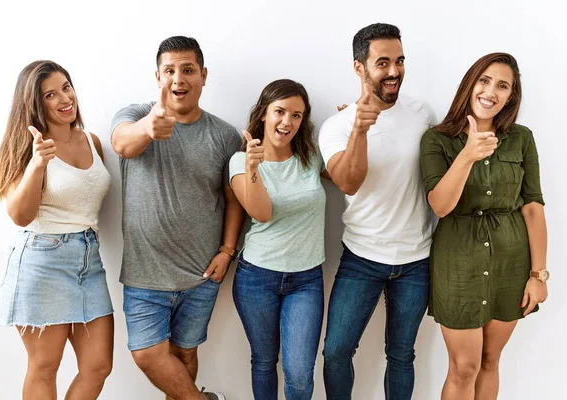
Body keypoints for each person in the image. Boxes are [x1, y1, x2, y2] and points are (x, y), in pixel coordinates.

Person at [110, 36, 243, 400]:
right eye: (169, 70)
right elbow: (122, 143)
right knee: (148, 354)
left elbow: (233, 200)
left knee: (186, 353)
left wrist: (227, 251)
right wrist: (148, 128)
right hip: (144, 274)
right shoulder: (135, 116)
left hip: (201, 273)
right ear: (157, 76)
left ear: (203, 75)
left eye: (187, 70)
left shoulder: (224, 135)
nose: (178, 79)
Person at [420, 52, 548, 400]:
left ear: (511, 96)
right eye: (485, 80)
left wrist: (538, 276)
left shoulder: (521, 138)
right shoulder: (437, 139)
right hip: (458, 265)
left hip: (511, 264)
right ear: (470, 83)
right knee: (464, 367)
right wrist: (467, 155)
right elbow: (440, 205)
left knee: (491, 360)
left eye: (502, 85)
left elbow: (533, 207)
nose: (491, 91)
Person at [318, 23, 437, 400]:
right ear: (359, 67)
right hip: (362, 258)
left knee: (402, 355)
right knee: (336, 352)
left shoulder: (422, 113)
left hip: (417, 258)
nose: (394, 71)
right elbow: (348, 182)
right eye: (382, 62)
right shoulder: (336, 126)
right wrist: (360, 129)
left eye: (399, 61)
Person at [0, 60, 114, 400]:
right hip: (42, 258)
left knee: (98, 365)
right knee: (44, 366)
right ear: (35, 103)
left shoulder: (92, 141)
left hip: (88, 259)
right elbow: (19, 215)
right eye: (51, 94)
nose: (65, 98)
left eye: (66, 86)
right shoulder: (27, 148)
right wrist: (36, 164)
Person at [229, 79, 327, 400]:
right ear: (263, 114)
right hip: (257, 277)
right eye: (280, 111)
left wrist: (350, 129)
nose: (287, 122)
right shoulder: (239, 161)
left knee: (299, 374)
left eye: (296, 115)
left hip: (306, 280)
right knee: (264, 361)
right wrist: (254, 167)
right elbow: (261, 212)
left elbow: (350, 176)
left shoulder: (311, 157)